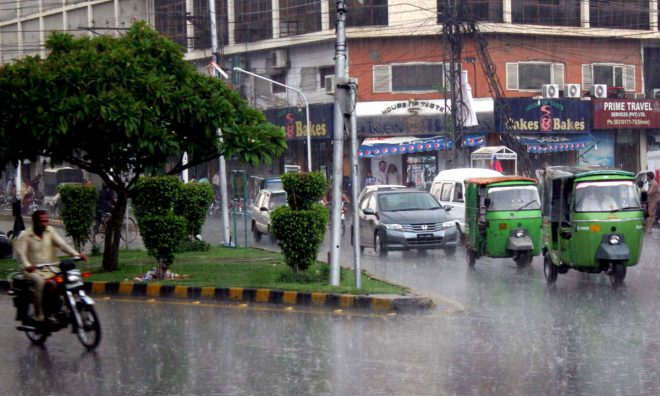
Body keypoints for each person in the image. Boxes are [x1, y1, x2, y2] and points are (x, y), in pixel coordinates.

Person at [14, 210, 88, 324]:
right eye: (41, 221)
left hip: (52, 268)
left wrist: (76, 254)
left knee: (65, 281)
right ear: (34, 221)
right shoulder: (26, 235)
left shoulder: (50, 231)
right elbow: (21, 253)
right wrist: (28, 265)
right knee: (40, 282)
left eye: (46, 221)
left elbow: (62, 245)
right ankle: (39, 314)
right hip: (33, 271)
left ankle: (60, 308)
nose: (44, 224)